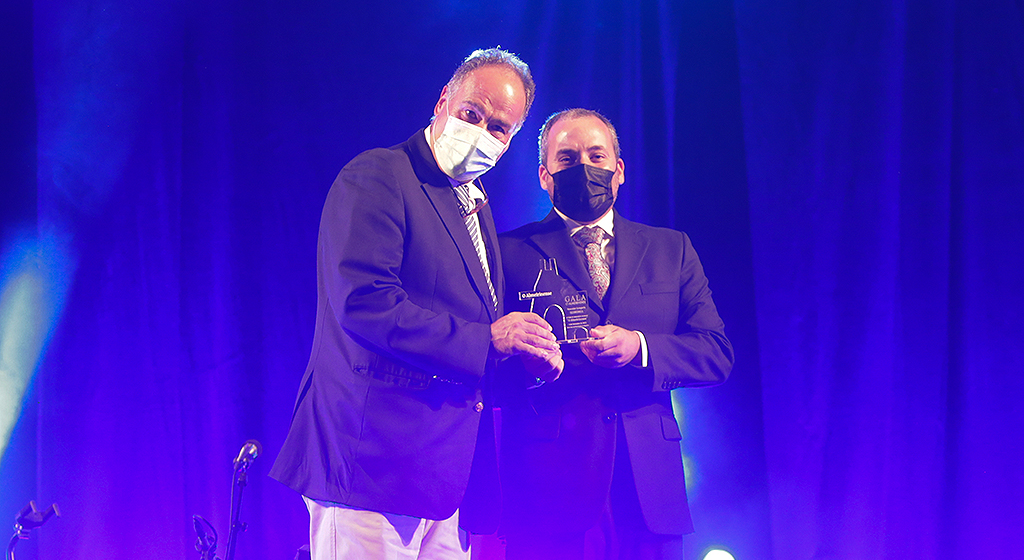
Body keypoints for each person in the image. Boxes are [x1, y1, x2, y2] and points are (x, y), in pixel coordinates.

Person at [269, 48, 563, 560]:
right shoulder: (380, 174)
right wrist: (489, 339)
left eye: (499, 128)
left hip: (445, 479)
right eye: (472, 113)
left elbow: (471, 335)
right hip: (371, 466)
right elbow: (364, 303)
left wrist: (526, 361)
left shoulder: (474, 204)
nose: (481, 132)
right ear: (443, 100)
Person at [496, 108, 734, 560]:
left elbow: (715, 353)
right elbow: (486, 365)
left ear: (618, 170)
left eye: (596, 156)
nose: (584, 167)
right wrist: (528, 368)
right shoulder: (508, 252)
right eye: (567, 159)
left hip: (648, 487)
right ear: (545, 176)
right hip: (547, 484)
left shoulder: (671, 249)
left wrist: (640, 348)